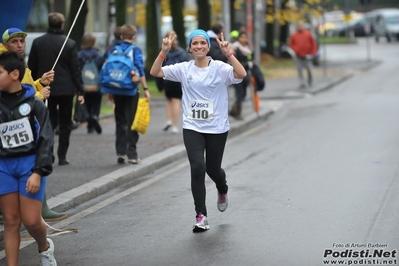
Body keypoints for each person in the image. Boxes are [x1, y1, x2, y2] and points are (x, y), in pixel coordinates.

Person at [150, 29, 246, 232]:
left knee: (213, 169)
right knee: (197, 168)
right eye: (195, 43)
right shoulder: (184, 69)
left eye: (203, 43)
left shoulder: (219, 68)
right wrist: (163, 51)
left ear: (208, 47)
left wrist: (229, 53)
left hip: (217, 127)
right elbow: (155, 72)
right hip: (192, 126)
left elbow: (241, 74)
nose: (199, 46)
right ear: (190, 47)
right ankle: (201, 215)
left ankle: (222, 187)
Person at [0, 27, 67, 222]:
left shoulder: (18, 63)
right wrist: (39, 95)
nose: (20, 45)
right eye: (15, 42)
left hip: (24, 125)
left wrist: (39, 82)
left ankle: (37, 208)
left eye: (22, 41)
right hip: (13, 125)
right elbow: (10, 99)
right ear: (5, 45)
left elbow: (23, 88)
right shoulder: (5, 65)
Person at [0, 51, 57, 266]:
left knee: (32, 221)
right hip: (4, 166)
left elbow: (46, 139)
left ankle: (44, 247)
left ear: (15, 74)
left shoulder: (35, 104)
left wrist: (37, 171)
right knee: (11, 221)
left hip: (29, 165)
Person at [28, 12, 85, 166]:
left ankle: (49, 153)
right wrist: (80, 90)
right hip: (66, 89)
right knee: (65, 123)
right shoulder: (70, 43)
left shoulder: (38, 42)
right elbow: (75, 69)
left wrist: (32, 85)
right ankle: (63, 155)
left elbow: (31, 66)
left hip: (46, 88)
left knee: (48, 122)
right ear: (62, 25)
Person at [101, 24, 150, 164]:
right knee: (132, 121)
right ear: (134, 37)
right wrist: (146, 89)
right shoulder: (135, 50)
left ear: (121, 36)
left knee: (120, 121)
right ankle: (132, 154)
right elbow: (140, 70)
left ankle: (120, 152)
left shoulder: (113, 50)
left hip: (116, 89)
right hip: (130, 90)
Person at [158, 30, 188, 133]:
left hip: (166, 78)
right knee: (176, 101)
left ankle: (168, 120)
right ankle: (175, 125)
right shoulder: (182, 52)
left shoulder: (164, 51)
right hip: (178, 80)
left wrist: (159, 85)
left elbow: (159, 67)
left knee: (168, 100)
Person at [78, 33, 105, 134]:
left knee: (87, 103)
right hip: (96, 84)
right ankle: (95, 116)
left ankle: (89, 123)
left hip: (84, 84)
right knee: (96, 103)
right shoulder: (98, 54)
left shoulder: (79, 55)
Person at [230, 31, 253, 120]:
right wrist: (247, 64)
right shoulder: (235, 48)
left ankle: (233, 110)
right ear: (238, 38)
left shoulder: (247, 48)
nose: (244, 39)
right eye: (242, 37)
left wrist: (250, 63)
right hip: (237, 74)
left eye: (245, 37)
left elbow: (250, 58)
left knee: (243, 94)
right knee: (239, 94)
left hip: (246, 74)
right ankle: (237, 112)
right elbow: (236, 62)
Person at [289, 21, 317, 89]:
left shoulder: (308, 33)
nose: (300, 27)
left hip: (307, 55)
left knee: (309, 69)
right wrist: (295, 49)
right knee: (299, 69)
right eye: (298, 25)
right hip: (298, 55)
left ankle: (310, 81)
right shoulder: (294, 35)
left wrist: (313, 52)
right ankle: (302, 83)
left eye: (301, 25)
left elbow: (313, 43)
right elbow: (291, 44)